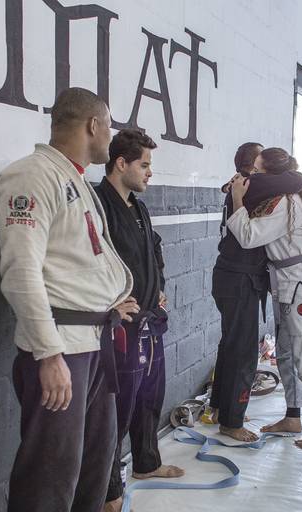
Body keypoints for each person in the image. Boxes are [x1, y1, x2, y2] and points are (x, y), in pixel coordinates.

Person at [0, 87, 139, 512]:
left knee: (94, 465)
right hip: (61, 349)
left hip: (94, 344)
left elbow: (76, 260)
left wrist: (108, 303)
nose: (110, 136)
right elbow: (21, 272)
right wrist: (48, 354)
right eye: (108, 126)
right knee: (50, 475)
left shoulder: (74, 179)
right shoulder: (31, 176)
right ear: (93, 125)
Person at [95, 130, 184, 511]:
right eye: (144, 165)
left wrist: (158, 286)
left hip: (149, 321)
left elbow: (153, 251)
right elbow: (90, 262)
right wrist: (111, 304)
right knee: (117, 409)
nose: (149, 172)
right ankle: (108, 490)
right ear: (121, 163)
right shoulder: (98, 205)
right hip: (119, 327)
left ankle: (146, 464)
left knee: (150, 397)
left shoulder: (138, 207)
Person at [227, 147, 302, 451]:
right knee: (287, 355)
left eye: (258, 171)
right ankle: (293, 416)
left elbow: (248, 236)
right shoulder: (288, 198)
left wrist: (237, 198)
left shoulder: (287, 203)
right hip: (289, 284)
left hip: (299, 287)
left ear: (272, 174)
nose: (253, 176)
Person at [210, 143, 302, 442]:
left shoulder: (244, 185)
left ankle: (221, 408)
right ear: (253, 166)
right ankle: (232, 421)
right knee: (243, 351)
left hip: (233, 276)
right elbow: (297, 179)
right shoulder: (251, 185)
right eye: (263, 160)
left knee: (231, 344)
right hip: (240, 279)